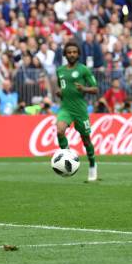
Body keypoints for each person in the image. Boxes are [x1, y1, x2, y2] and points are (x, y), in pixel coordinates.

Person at [55, 41, 99, 182]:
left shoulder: (84, 69)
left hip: (80, 110)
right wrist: (59, 93)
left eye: (74, 52)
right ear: (65, 54)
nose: (72, 54)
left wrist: (84, 89)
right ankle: (67, 157)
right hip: (65, 108)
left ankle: (92, 164)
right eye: (69, 52)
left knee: (86, 140)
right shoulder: (60, 71)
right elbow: (62, 88)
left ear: (78, 54)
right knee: (60, 130)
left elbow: (95, 89)